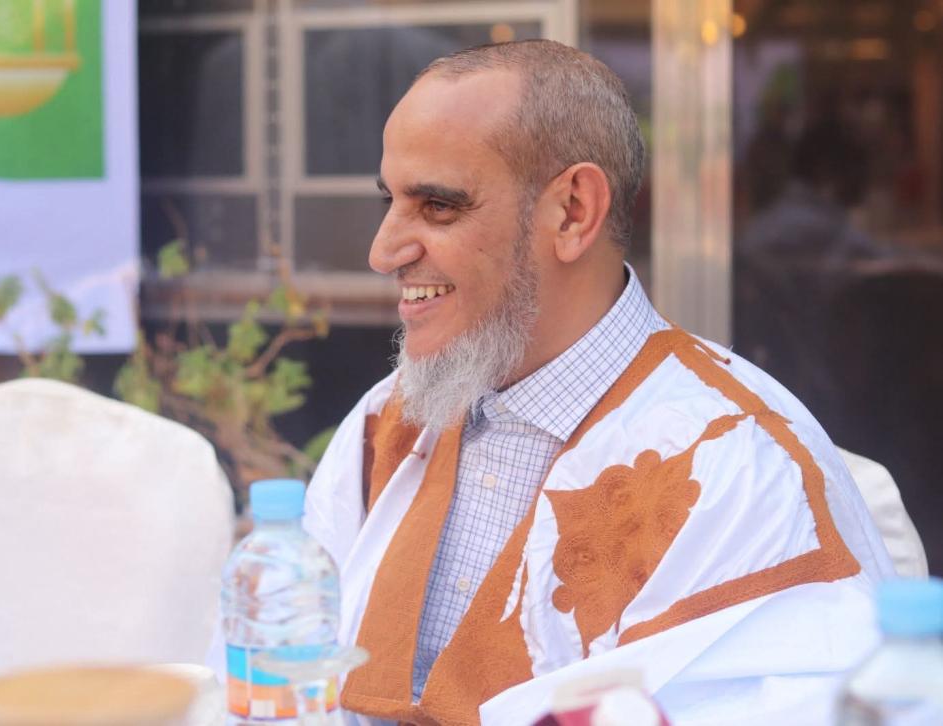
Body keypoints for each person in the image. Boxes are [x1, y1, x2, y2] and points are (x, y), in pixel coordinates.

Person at [303, 40, 894, 725]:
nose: (383, 252)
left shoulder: (741, 469)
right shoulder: (387, 420)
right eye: (391, 200)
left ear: (573, 212)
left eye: (437, 205)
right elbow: (280, 681)